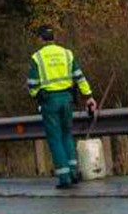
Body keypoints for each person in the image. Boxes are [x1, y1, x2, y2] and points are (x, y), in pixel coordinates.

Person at [27, 25, 97, 189]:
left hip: (49, 101)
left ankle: (64, 177)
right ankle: (73, 172)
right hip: (67, 99)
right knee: (67, 135)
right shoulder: (67, 54)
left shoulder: (37, 58)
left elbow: (32, 85)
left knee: (55, 138)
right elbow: (79, 77)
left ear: (40, 39)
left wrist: (37, 95)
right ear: (54, 38)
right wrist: (88, 97)